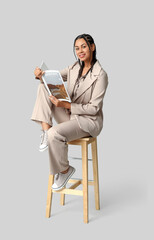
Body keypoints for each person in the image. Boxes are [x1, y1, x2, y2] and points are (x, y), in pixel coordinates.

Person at [31, 33, 109, 191]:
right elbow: (52, 77)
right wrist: (40, 75)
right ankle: (46, 132)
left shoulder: (101, 75)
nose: (80, 51)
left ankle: (65, 170)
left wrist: (67, 105)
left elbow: (94, 109)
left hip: (87, 122)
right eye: (77, 48)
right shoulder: (74, 68)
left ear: (92, 47)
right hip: (70, 117)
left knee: (55, 134)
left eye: (84, 47)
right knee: (43, 88)